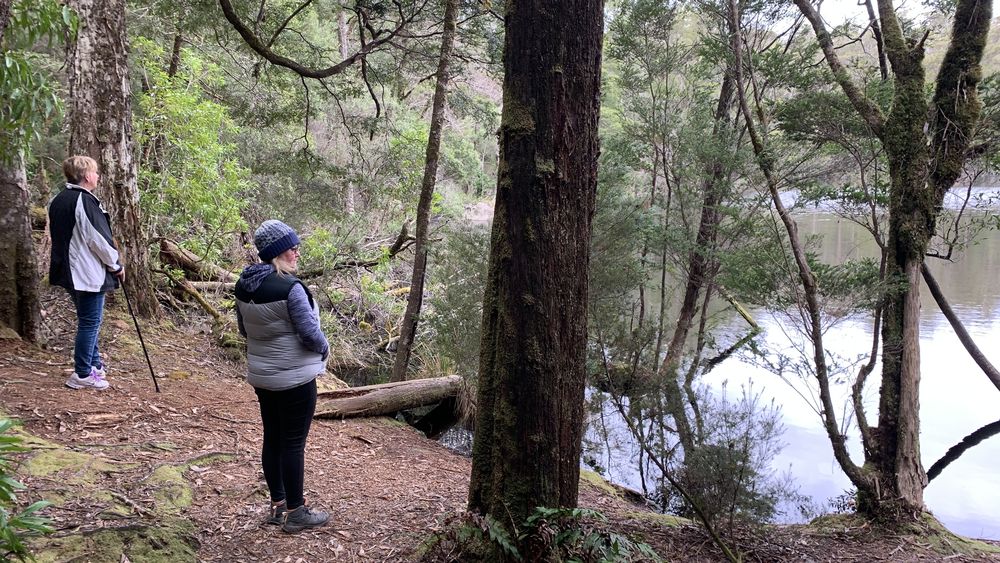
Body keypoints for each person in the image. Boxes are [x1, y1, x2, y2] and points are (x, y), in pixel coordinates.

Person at [235, 220, 330, 534]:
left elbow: (244, 330)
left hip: (263, 377)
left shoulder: (244, 284)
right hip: (295, 380)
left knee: (272, 439)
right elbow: (309, 333)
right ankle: (296, 512)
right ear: (278, 253)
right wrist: (325, 349)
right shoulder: (291, 288)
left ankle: (277, 506)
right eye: (292, 248)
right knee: (292, 444)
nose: (297, 253)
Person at [48, 155, 124, 391]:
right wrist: (116, 265)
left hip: (68, 270)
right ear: (87, 175)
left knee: (88, 320)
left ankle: (94, 365)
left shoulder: (58, 199)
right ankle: (82, 373)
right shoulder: (84, 201)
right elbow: (98, 240)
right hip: (85, 272)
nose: (98, 175)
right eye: (96, 171)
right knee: (90, 322)